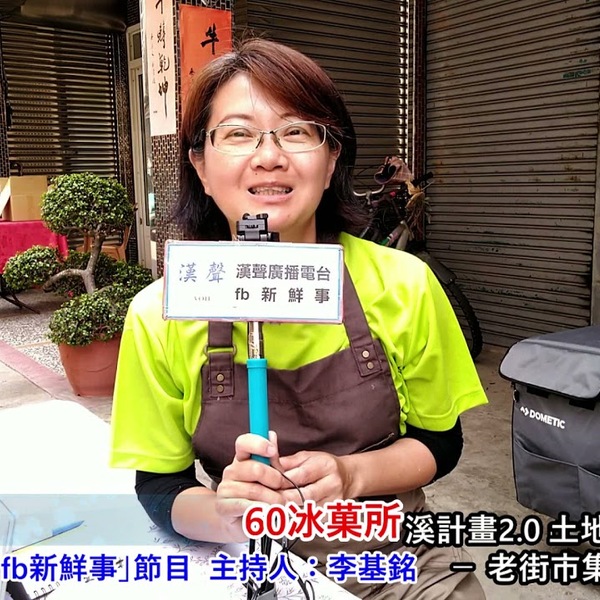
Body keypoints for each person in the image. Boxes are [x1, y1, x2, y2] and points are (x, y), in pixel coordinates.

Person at [110, 38, 488, 599]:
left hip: (396, 560)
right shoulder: (158, 313)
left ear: (331, 158)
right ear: (200, 165)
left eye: (296, 131)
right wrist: (224, 513)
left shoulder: (404, 284)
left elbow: (440, 444)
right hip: (247, 569)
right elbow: (161, 486)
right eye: (238, 134)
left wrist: (352, 475)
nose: (269, 156)